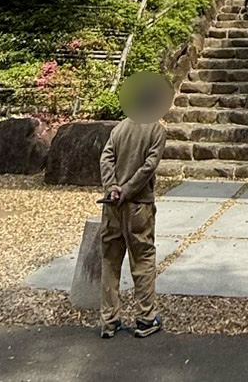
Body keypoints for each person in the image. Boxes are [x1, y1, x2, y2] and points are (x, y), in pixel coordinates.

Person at [98, 102, 167, 340]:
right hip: (139, 204)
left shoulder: (120, 128)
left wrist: (112, 187)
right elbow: (149, 166)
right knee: (143, 258)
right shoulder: (156, 130)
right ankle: (146, 317)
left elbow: (106, 158)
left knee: (110, 259)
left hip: (111, 205)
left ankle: (109, 320)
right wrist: (127, 190)